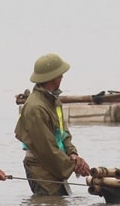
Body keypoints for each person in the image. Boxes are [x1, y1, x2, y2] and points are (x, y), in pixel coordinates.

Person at [15, 53, 91, 196]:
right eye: (60, 73)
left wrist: (72, 153)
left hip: (56, 163)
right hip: (41, 167)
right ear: (52, 77)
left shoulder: (52, 100)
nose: (62, 76)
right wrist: (73, 166)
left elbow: (63, 133)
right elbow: (46, 148)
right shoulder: (35, 107)